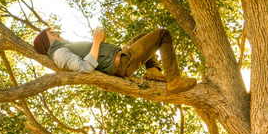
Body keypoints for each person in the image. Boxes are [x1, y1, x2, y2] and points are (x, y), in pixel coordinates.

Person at [33, 27, 197, 93]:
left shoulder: (64, 47)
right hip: (122, 63)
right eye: (51, 33)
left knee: (142, 36)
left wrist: (100, 41)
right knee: (163, 34)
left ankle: (153, 70)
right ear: (48, 42)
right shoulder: (59, 53)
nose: (56, 33)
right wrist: (96, 41)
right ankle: (174, 80)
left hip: (120, 57)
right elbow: (85, 67)